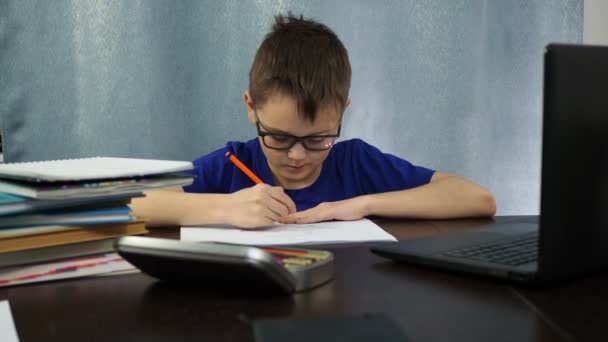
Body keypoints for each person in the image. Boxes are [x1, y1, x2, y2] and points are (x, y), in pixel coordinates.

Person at [130, 13, 496, 229]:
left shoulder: (355, 163)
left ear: (342, 112)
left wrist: (362, 204)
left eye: (319, 138)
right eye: (279, 137)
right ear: (251, 107)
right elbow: (131, 203)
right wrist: (224, 207)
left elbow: (477, 199)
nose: (297, 157)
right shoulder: (232, 166)